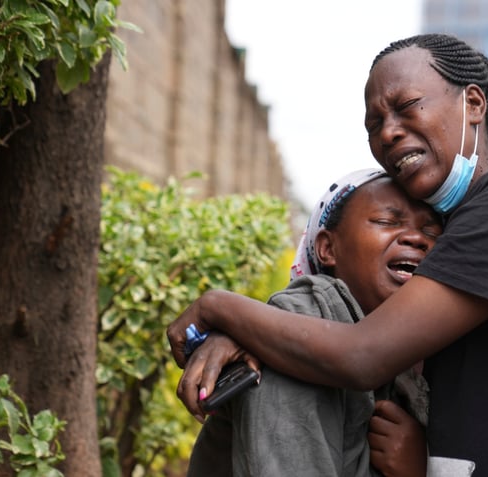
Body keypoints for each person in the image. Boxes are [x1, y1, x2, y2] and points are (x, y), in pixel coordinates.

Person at [169, 33, 488, 476]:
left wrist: (222, 310)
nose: (388, 132)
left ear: (474, 103)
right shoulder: (459, 241)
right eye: (374, 123)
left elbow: (361, 355)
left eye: (407, 107)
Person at [181, 168, 439, 477]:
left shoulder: (421, 357)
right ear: (328, 249)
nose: (416, 238)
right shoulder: (292, 348)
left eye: (433, 232)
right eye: (386, 221)